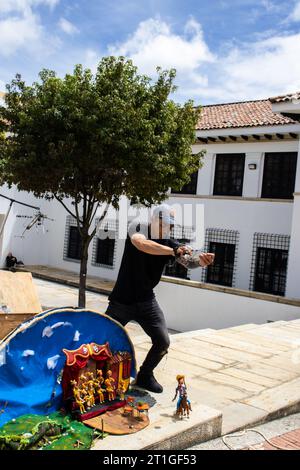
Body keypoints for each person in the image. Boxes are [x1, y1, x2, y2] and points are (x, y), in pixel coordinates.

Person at [105, 204, 214, 393]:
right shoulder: (138, 228)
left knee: (163, 341)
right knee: (102, 338)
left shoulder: (170, 244)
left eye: (171, 226)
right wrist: (172, 251)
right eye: (164, 224)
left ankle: (145, 375)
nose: (167, 229)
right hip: (122, 300)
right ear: (154, 220)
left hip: (147, 301)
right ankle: (93, 373)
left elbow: (188, 262)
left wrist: (201, 262)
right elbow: (141, 244)